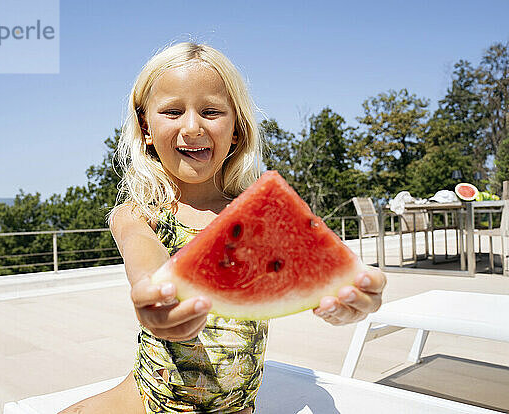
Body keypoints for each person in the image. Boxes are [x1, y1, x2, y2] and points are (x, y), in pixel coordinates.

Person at [60, 42, 386, 414]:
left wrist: (351, 296)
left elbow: (333, 275)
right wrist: (153, 295)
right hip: (148, 399)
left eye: (211, 111)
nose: (193, 126)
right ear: (146, 128)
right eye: (172, 111)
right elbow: (142, 255)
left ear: (236, 131)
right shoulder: (137, 214)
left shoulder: (258, 219)